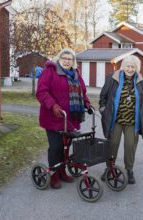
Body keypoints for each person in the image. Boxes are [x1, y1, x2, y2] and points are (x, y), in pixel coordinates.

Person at [36, 48, 91, 189]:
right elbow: (41, 92)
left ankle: (62, 172)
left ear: (73, 61)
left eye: (70, 59)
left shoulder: (76, 73)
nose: (67, 61)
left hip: (70, 119)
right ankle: (53, 175)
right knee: (56, 147)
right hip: (53, 117)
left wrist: (87, 103)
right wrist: (53, 106)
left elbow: (82, 92)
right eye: (64, 58)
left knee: (66, 147)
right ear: (59, 59)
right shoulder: (50, 71)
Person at [99, 55, 143, 184]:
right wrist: (103, 108)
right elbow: (103, 95)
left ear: (136, 68)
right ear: (123, 66)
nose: (130, 69)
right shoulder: (113, 78)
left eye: (133, 66)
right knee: (112, 145)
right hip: (115, 120)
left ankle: (129, 169)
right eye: (128, 66)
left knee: (130, 146)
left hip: (133, 122)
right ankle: (109, 168)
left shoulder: (142, 80)